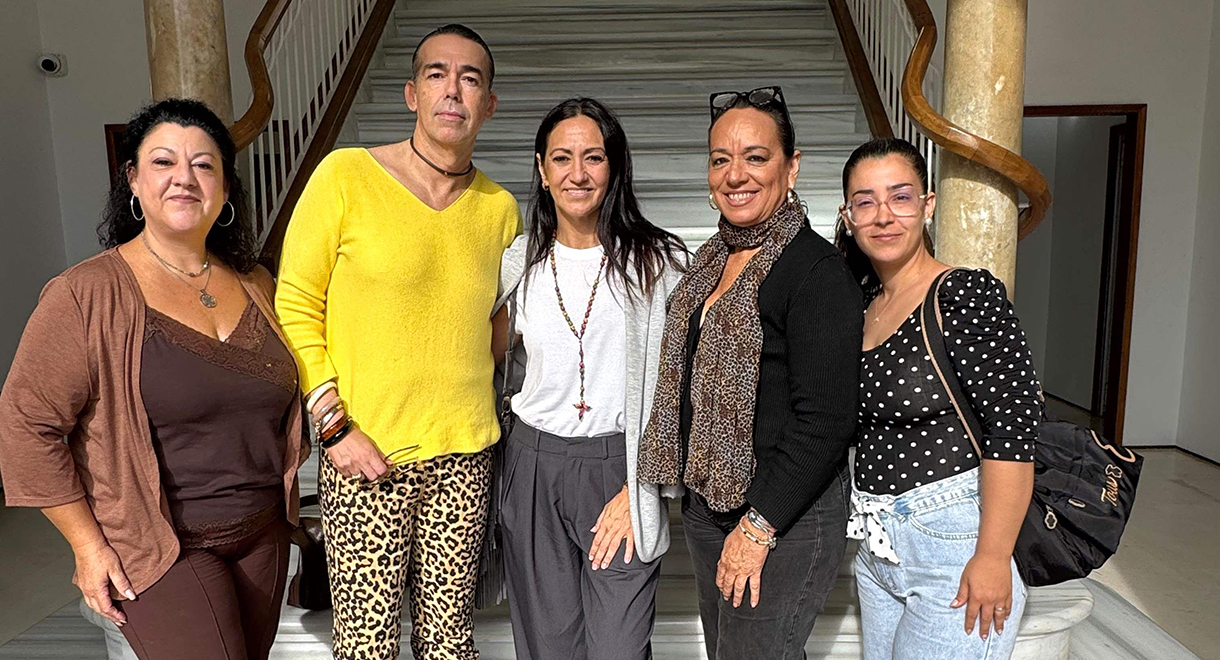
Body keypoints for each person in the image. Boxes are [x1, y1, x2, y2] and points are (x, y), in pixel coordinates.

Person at [0, 98, 308, 660]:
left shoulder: (257, 283)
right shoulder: (85, 294)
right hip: (158, 543)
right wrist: (87, 545)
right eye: (163, 162)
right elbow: (26, 427)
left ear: (225, 188)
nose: (184, 179)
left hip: (262, 533)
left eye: (204, 165)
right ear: (134, 181)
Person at [273, 24, 520, 660]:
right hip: (362, 453)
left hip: (464, 456)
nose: (453, 91)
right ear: (412, 93)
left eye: (471, 78)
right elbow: (295, 307)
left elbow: (498, 325)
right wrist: (333, 430)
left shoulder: (501, 210)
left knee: (449, 640)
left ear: (489, 103)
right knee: (366, 643)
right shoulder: (345, 176)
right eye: (437, 74)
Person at [637, 86, 863, 659]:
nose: (735, 175)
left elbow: (827, 422)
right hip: (714, 509)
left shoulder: (814, 269)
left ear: (792, 167)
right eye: (721, 159)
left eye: (756, 157)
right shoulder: (711, 259)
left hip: (782, 522)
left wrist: (758, 528)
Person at [491, 97, 687, 660]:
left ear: (615, 167)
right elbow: (486, 363)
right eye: (562, 158)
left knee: (618, 648)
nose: (578, 173)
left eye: (594, 158)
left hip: (619, 470)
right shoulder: (518, 262)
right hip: (533, 469)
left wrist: (645, 484)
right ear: (542, 169)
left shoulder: (662, 263)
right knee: (548, 648)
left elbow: (684, 388)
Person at [835, 137, 1037, 660]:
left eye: (901, 197)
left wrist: (993, 555)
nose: (883, 216)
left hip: (954, 541)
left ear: (927, 206)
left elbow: (1013, 432)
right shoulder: (860, 305)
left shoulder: (963, 294)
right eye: (866, 201)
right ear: (848, 215)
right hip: (878, 548)